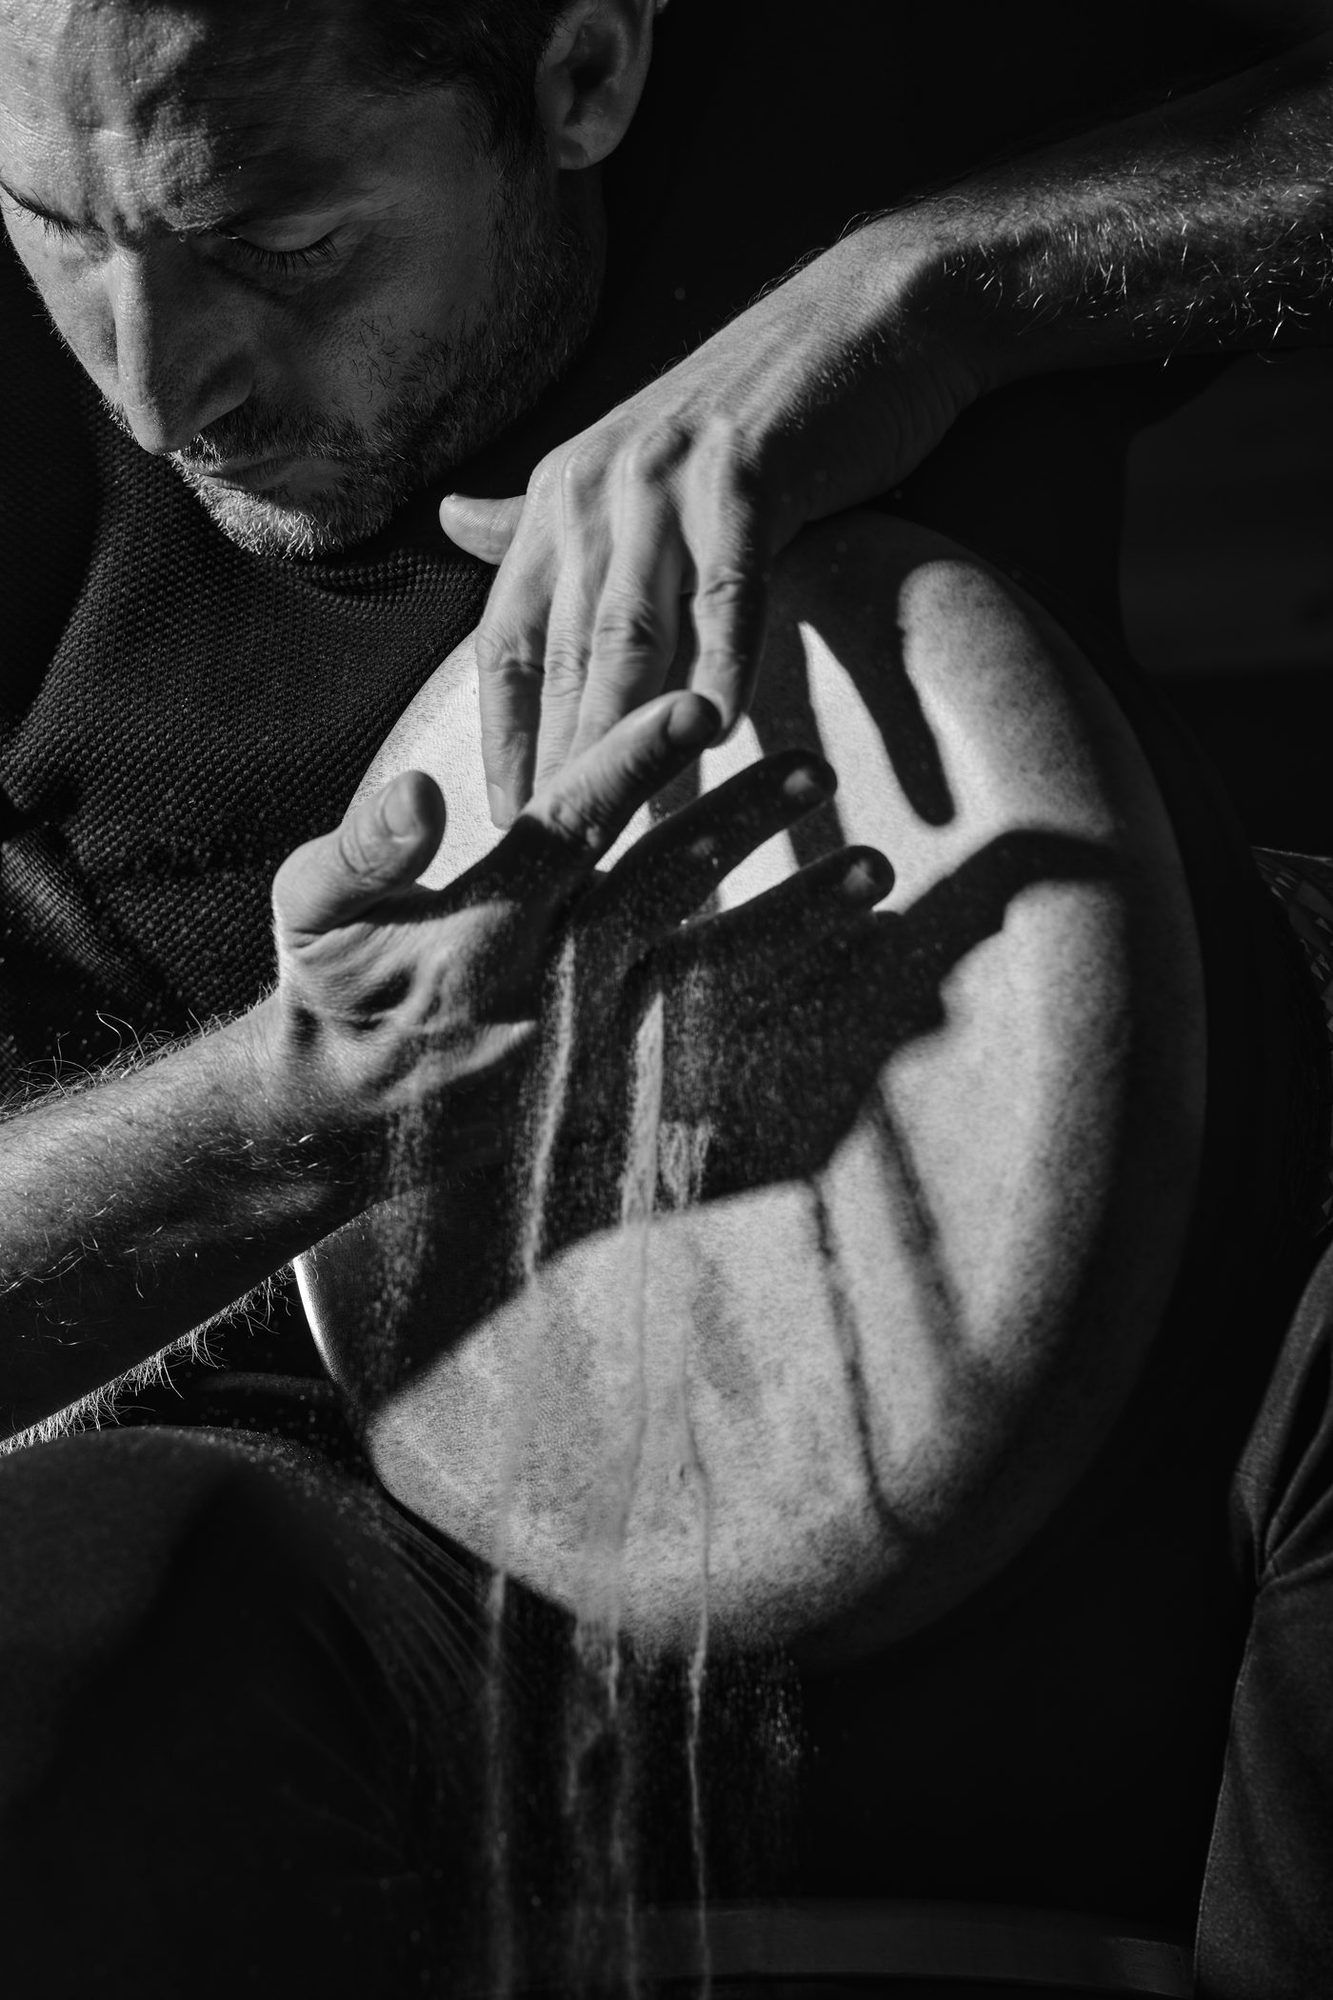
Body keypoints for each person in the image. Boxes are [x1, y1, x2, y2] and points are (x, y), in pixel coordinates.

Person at [0, 0, 1330, 1991]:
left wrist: (938, 288)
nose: (155, 376)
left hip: (1155, 1404)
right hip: (362, 1530)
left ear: (584, 78)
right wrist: (291, 1110)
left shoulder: (844, 80)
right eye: (50, 218)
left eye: (279, 242)